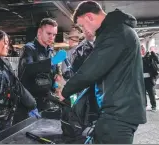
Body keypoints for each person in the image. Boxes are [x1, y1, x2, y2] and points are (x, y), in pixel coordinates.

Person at [62, 1, 146, 144]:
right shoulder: (118, 30)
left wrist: (64, 91)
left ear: (89, 16)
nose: (83, 31)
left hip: (118, 114)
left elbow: (91, 71)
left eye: (82, 26)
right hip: (119, 111)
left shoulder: (115, 33)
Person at [15, 18, 66, 123]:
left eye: (54, 34)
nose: (52, 37)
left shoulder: (50, 51)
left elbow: (53, 74)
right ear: (39, 32)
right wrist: (52, 61)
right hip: (29, 104)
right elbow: (28, 69)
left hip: (46, 102)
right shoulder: (29, 49)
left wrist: (56, 80)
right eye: (49, 33)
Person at [142, 45, 158, 111]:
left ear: (145, 49)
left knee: (151, 93)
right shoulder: (138, 56)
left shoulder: (149, 55)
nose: (142, 50)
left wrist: (153, 53)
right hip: (141, 79)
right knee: (143, 94)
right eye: (141, 49)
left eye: (143, 49)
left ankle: (153, 106)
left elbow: (157, 60)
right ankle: (144, 105)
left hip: (149, 78)